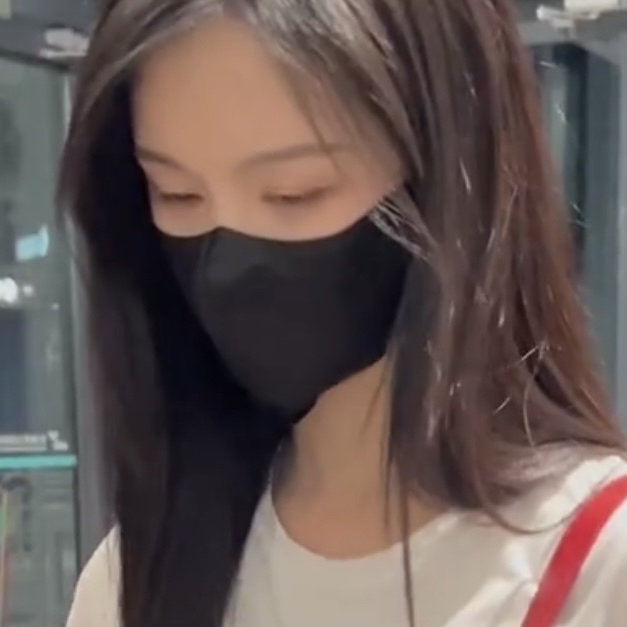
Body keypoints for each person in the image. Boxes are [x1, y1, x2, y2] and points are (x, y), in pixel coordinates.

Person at [61, 1, 627, 626]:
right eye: (176, 193)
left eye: (294, 193)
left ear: (446, 178)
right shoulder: (133, 581)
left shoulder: (600, 566)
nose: (226, 261)